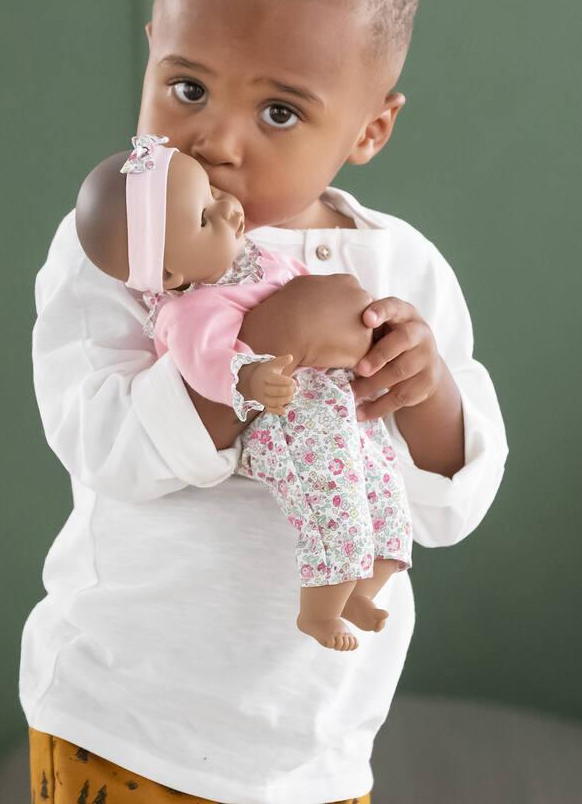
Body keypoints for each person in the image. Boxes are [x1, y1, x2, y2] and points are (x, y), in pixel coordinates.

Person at [20, 0, 509, 804]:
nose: (217, 141)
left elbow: (448, 509)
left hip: (311, 754)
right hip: (121, 717)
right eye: (188, 86)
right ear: (151, 49)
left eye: (279, 111)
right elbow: (99, 441)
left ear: (370, 127)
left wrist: (427, 388)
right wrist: (245, 362)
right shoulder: (124, 239)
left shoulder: (398, 270)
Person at [73, 136, 413, 652]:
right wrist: (248, 379)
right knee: (331, 501)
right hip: (283, 425)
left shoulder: (253, 258)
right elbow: (206, 364)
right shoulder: (189, 312)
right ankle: (319, 612)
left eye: (212, 192)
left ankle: (364, 589)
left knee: (383, 485)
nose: (229, 206)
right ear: (169, 273)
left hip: (331, 402)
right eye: (206, 216)